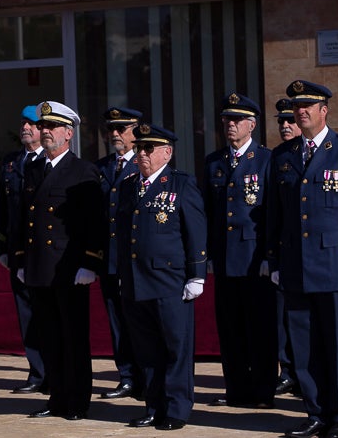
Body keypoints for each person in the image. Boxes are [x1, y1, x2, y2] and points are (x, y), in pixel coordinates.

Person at [266, 80, 338, 438]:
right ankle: (315, 412)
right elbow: (274, 217)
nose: (301, 112)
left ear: (324, 110)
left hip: (334, 265)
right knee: (304, 346)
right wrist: (274, 261)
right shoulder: (282, 156)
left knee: (337, 345)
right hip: (295, 267)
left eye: (308, 106)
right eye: (297, 106)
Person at [13, 101, 105, 421]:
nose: (46, 132)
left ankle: (77, 401)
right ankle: (56, 398)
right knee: (48, 337)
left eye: (52, 127)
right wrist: (21, 260)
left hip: (69, 269)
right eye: (44, 126)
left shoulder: (83, 171)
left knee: (73, 338)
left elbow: (95, 222)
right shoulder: (34, 168)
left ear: (69, 133)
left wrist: (90, 263)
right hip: (39, 268)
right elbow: (25, 218)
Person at [116, 121, 207, 431]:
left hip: (170, 281)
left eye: (148, 148)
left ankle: (177, 409)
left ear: (166, 152)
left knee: (175, 349)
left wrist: (197, 274)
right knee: (147, 350)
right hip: (136, 280)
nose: (142, 153)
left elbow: (194, 231)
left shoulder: (180, 184)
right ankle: (154, 406)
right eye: (139, 147)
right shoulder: (128, 185)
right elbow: (122, 234)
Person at [203, 93, 275, 409]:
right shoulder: (214, 162)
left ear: (252, 124)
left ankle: (262, 392)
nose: (230, 125)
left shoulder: (267, 159)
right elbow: (206, 212)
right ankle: (237, 390)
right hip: (224, 259)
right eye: (226, 120)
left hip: (254, 258)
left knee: (259, 328)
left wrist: (270, 256)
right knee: (230, 329)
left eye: (236, 120)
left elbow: (274, 213)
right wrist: (205, 256)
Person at [0, 105, 47, 394]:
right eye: (24, 123)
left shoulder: (52, 162)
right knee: (26, 315)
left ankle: (54, 371)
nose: (26, 128)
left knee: (48, 315)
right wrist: (3, 247)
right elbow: (4, 210)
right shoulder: (12, 163)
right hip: (18, 254)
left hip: (46, 254)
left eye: (32, 124)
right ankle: (37, 372)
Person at [95, 106, 143, 400]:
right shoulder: (101, 167)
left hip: (135, 260)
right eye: (111, 129)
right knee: (116, 321)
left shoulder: (144, 164)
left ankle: (144, 376)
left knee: (139, 320)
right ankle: (126, 376)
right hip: (109, 260)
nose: (114, 134)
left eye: (121, 129)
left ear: (136, 132)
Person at [274, 98, 302, 397]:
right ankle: (287, 370)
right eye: (281, 122)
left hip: (315, 254)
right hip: (286, 250)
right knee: (285, 316)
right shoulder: (278, 156)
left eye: (289, 121)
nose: (285, 126)